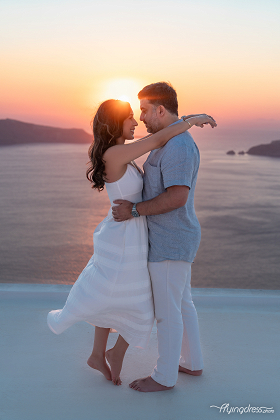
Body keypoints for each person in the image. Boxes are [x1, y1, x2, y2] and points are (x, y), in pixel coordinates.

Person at [47, 98, 215, 386]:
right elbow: (160, 137)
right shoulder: (115, 153)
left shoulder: (120, 152)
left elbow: (160, 137)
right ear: (115, 123)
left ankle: (103, 354)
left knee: (120, 293)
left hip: (132, 233)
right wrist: (191, 119)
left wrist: (184, 119)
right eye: (129, 118)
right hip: (125, 236)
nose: (136, 122)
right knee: (133, 297)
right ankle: (110, 354)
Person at [112, 82, 217, 392]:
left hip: (171, 240)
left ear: (160, 109)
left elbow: (176, 198)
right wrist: (189, 119)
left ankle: (164, 376)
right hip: (173, 239)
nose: (141, 116)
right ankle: (193, 362)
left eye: (144, 110)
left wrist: (133, 210)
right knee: (183, 304)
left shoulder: (179, 147)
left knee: (168, 313)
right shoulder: (168, 141)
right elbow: (154, 140)